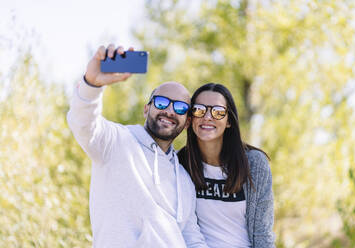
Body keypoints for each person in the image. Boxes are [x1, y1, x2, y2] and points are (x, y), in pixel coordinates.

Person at [67, 44, 208, 248]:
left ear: (187, 122)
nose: (169, 111)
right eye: (161, 102)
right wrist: (91, 85)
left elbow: (191, 238)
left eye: (179, 107)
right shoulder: (116, 141)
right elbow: (82, 122)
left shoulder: (184, 179)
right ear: (146, 109)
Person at [178, 83, 275, 248]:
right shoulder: (181, 162)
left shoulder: (254, 163)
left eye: (217, 112)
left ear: (229, 120)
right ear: (190, 118)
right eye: (199, 109)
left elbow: (262, 234)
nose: (207, 117)